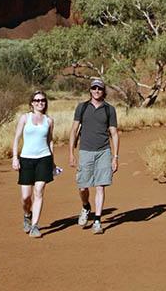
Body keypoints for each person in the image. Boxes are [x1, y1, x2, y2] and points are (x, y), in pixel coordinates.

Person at [68, 78, 119, 235]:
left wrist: (115, 156)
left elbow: (114, 133)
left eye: (100, 89)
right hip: (85, 151)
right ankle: (85, 206)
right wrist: (71, 152)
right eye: (94, 88)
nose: (97, 91)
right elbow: (74, 130)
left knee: (100, 186)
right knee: (83, 186)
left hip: (104, 151)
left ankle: (97, 220)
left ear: (104, 91)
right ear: (90, 90)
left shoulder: (109, 109)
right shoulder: (82, 107)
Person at [12, 91, 55, 239]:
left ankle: (35, 225)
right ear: (31, 103)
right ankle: (27, 215)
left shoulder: (49, 120)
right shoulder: (25, 118)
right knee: (26, 197)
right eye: (36, 100)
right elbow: (17, 138)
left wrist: (52, 162)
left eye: (42, 100)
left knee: (39, 191)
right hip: (26, 159)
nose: (40, 103)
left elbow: (50, 141)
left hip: (44, 158)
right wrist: (15, 158)